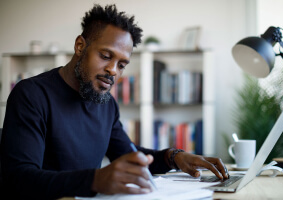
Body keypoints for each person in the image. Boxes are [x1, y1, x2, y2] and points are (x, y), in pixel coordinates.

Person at [0, 4, 229, 199]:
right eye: (106, 56)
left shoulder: (106, 104)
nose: (112, 70)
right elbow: (20, 178)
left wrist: (174, 157)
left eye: (121, 65)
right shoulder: (31, 95)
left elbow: (129, 155)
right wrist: (95, 180)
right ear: (80, 46)